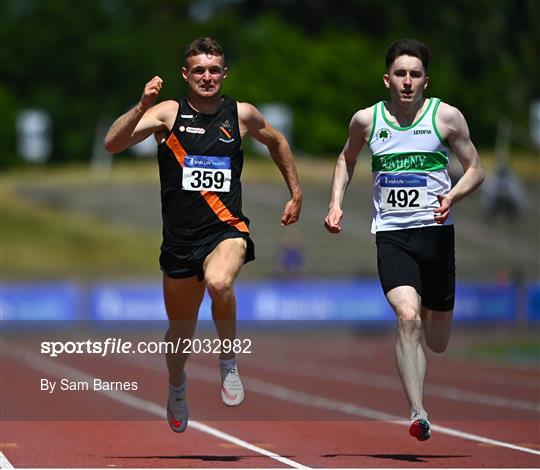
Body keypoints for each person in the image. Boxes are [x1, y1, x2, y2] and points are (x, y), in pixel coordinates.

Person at [104, 37, 302, 433]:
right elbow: (113, 143)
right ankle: (177, 385)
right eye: (199, 70)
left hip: (227, 229)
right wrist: (142, 105)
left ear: (224, 73)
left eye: (214, 70)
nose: (207, 77)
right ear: (186, 74)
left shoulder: (240, 114)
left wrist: (295, 192)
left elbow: (277, 141)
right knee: (181, 333)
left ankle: (228, 362)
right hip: (179, 243)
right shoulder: (166, 114)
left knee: (219, 280)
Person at [324, 38, 484, 441]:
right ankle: (418, 411)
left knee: (437, 340)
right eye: (400, 74)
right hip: (393, 235)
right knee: (407, 317)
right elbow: (347, 158)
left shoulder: (445, 118)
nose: (407, 81)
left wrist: (452, 195)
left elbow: (475, 169)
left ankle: (430, 321)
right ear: (387, 79)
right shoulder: (366, 120)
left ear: (425, 80)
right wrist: (335, 203)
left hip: (436, 237)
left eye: (415, 74)